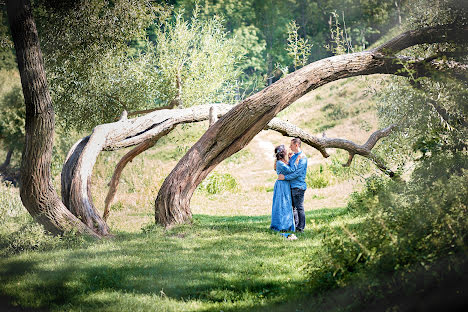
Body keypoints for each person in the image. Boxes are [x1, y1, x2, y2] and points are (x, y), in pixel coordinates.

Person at [278, 138, 308, 232]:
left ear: (296, 145)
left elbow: (297, 173)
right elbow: (290, 168)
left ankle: (301, 228)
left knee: (299, 207)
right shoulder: (294, 156)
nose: (289, 147)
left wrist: (285, 178)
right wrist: (290, 159)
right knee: (293, 208)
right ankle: (295, 226)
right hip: (291, 186)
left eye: (291, 145)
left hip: (298, 186)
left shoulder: (302, 158)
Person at [270, 144, 300, 233]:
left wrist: (290, 160)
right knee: (282, 204)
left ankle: (287, 224)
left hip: (285, 184)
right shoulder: (279, 163)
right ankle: (280, 225)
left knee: (286, 203)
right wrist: (295, 161)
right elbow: (291, 170)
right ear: (283, 153)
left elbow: (288, 168)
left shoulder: (282, 161)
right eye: (285, 150)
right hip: (281, 185)